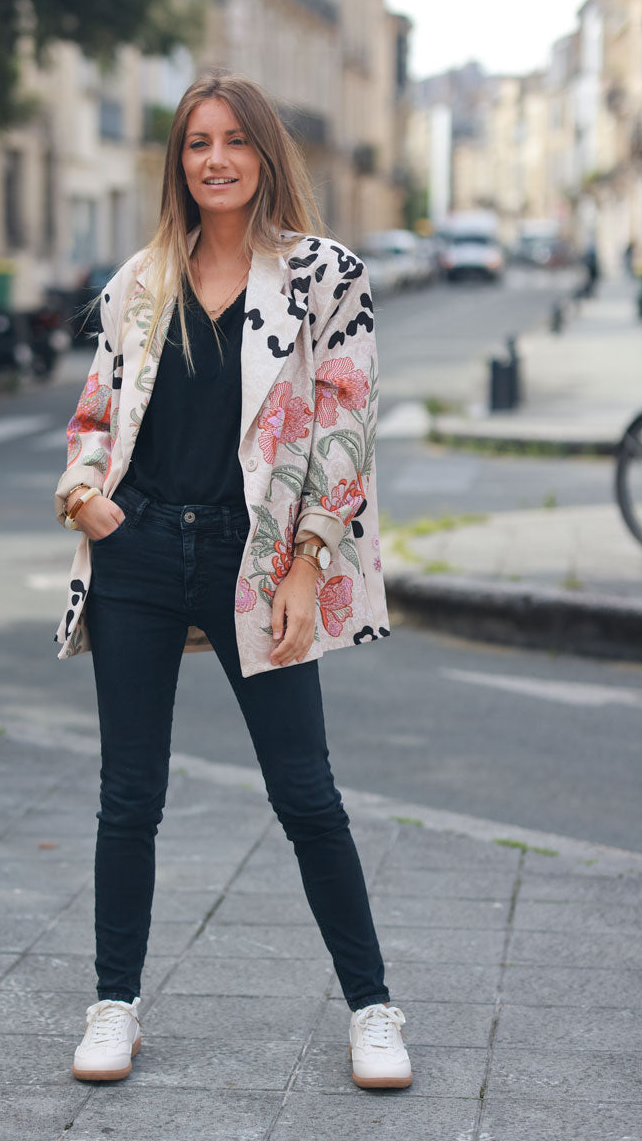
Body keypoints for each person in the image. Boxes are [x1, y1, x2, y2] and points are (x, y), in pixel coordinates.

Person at [53, 72, 411, 1091]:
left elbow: (345, 428)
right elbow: (91, 418)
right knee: (129, 796)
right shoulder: (141, 279)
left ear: (264, 154)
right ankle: (113, 1004)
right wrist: (85, 498)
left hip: (256, 561)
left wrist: (306, 562)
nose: (213, 160)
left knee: (305, 794)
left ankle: (372, 1008)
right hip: (137, 549)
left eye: (233, 142)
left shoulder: (321, 276)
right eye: (195, 144)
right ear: (179, 162)